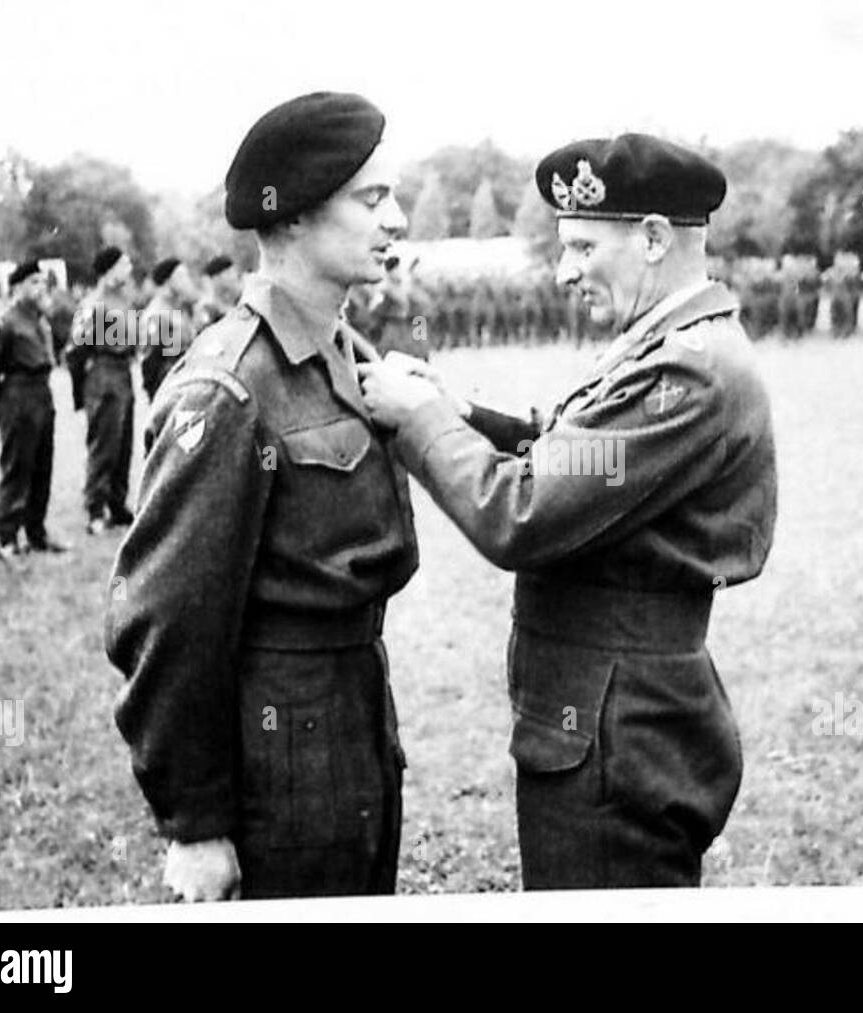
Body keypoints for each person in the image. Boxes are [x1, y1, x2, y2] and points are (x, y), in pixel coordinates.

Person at [360, 133, 778, 890]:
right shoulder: (673, 344)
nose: (564, 270)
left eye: (583, 246)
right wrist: (463, 412)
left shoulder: (686, 368)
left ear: (653, 238)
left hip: (615, 731)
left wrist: (418, 420)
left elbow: (521, 511)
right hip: (610, 713)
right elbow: (583, 455)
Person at [105, 91, 416, 902]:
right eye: (372, 198)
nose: (399, 219)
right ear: (295, 220)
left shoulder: (340, 353)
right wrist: (196, 823)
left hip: (352, 724)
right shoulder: (231, 385)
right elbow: (168, 618)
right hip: (283, 759)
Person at [0, 260, 70, 561]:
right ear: (17, 288)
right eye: (34, 283)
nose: (42, 288)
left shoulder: (39, 320)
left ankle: (36, 532)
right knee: (17, 468)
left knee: (43, 466)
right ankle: (7, 538)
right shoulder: (3, 322)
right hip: (17, 397)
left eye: (43, 282)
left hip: (42, 393)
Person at [68, 246, 137, 535]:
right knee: (104, 446)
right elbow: (76, 351)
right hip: (103, 373)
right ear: (109, 270)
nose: (129, 268)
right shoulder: (93, 305)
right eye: (124, 263)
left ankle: (118, 505)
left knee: (123, 444)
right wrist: (80, 391)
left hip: (123, 373)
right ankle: (95, 509)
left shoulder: (124, 301)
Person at [139, 257, 197, 402]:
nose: (186, 280)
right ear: (168, 280)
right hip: (168, 387)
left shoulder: (179, 309)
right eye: (181, 276)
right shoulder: (157, 314)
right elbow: (150, 360)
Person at [193, 254, 243, 333]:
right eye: (228, 273)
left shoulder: (245, 293)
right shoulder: (208, 308)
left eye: (232, 272)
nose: (234, 276)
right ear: (215, 280)